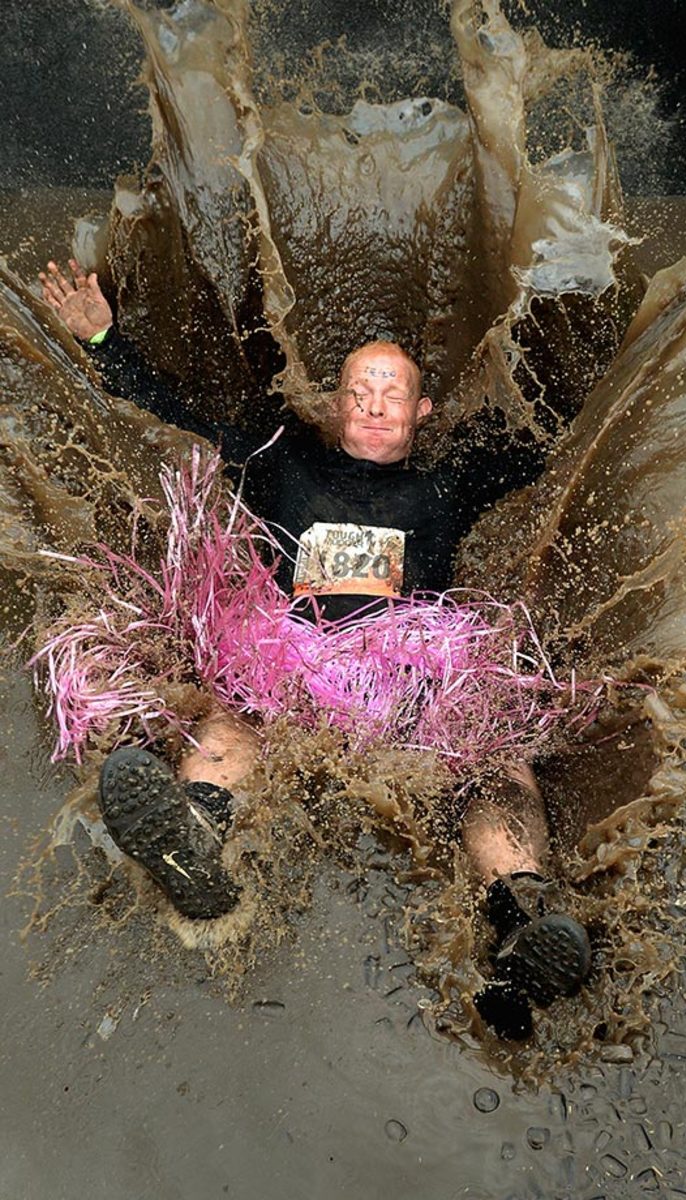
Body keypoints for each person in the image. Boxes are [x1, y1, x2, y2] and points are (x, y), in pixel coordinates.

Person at [40, 258, 591, 1039]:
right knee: (227, 721)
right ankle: (195, 845)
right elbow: (169, 411)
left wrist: (600, 334)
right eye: (360, 392)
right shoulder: (279, 461)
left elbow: (564, 437)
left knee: (499, 762)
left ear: (421, 410)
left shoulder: (452, 482)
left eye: (392, 394)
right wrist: (101, 338)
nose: (374, 406)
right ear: (336, 406)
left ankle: (522, 918)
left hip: (414, 687)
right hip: (290, 670)